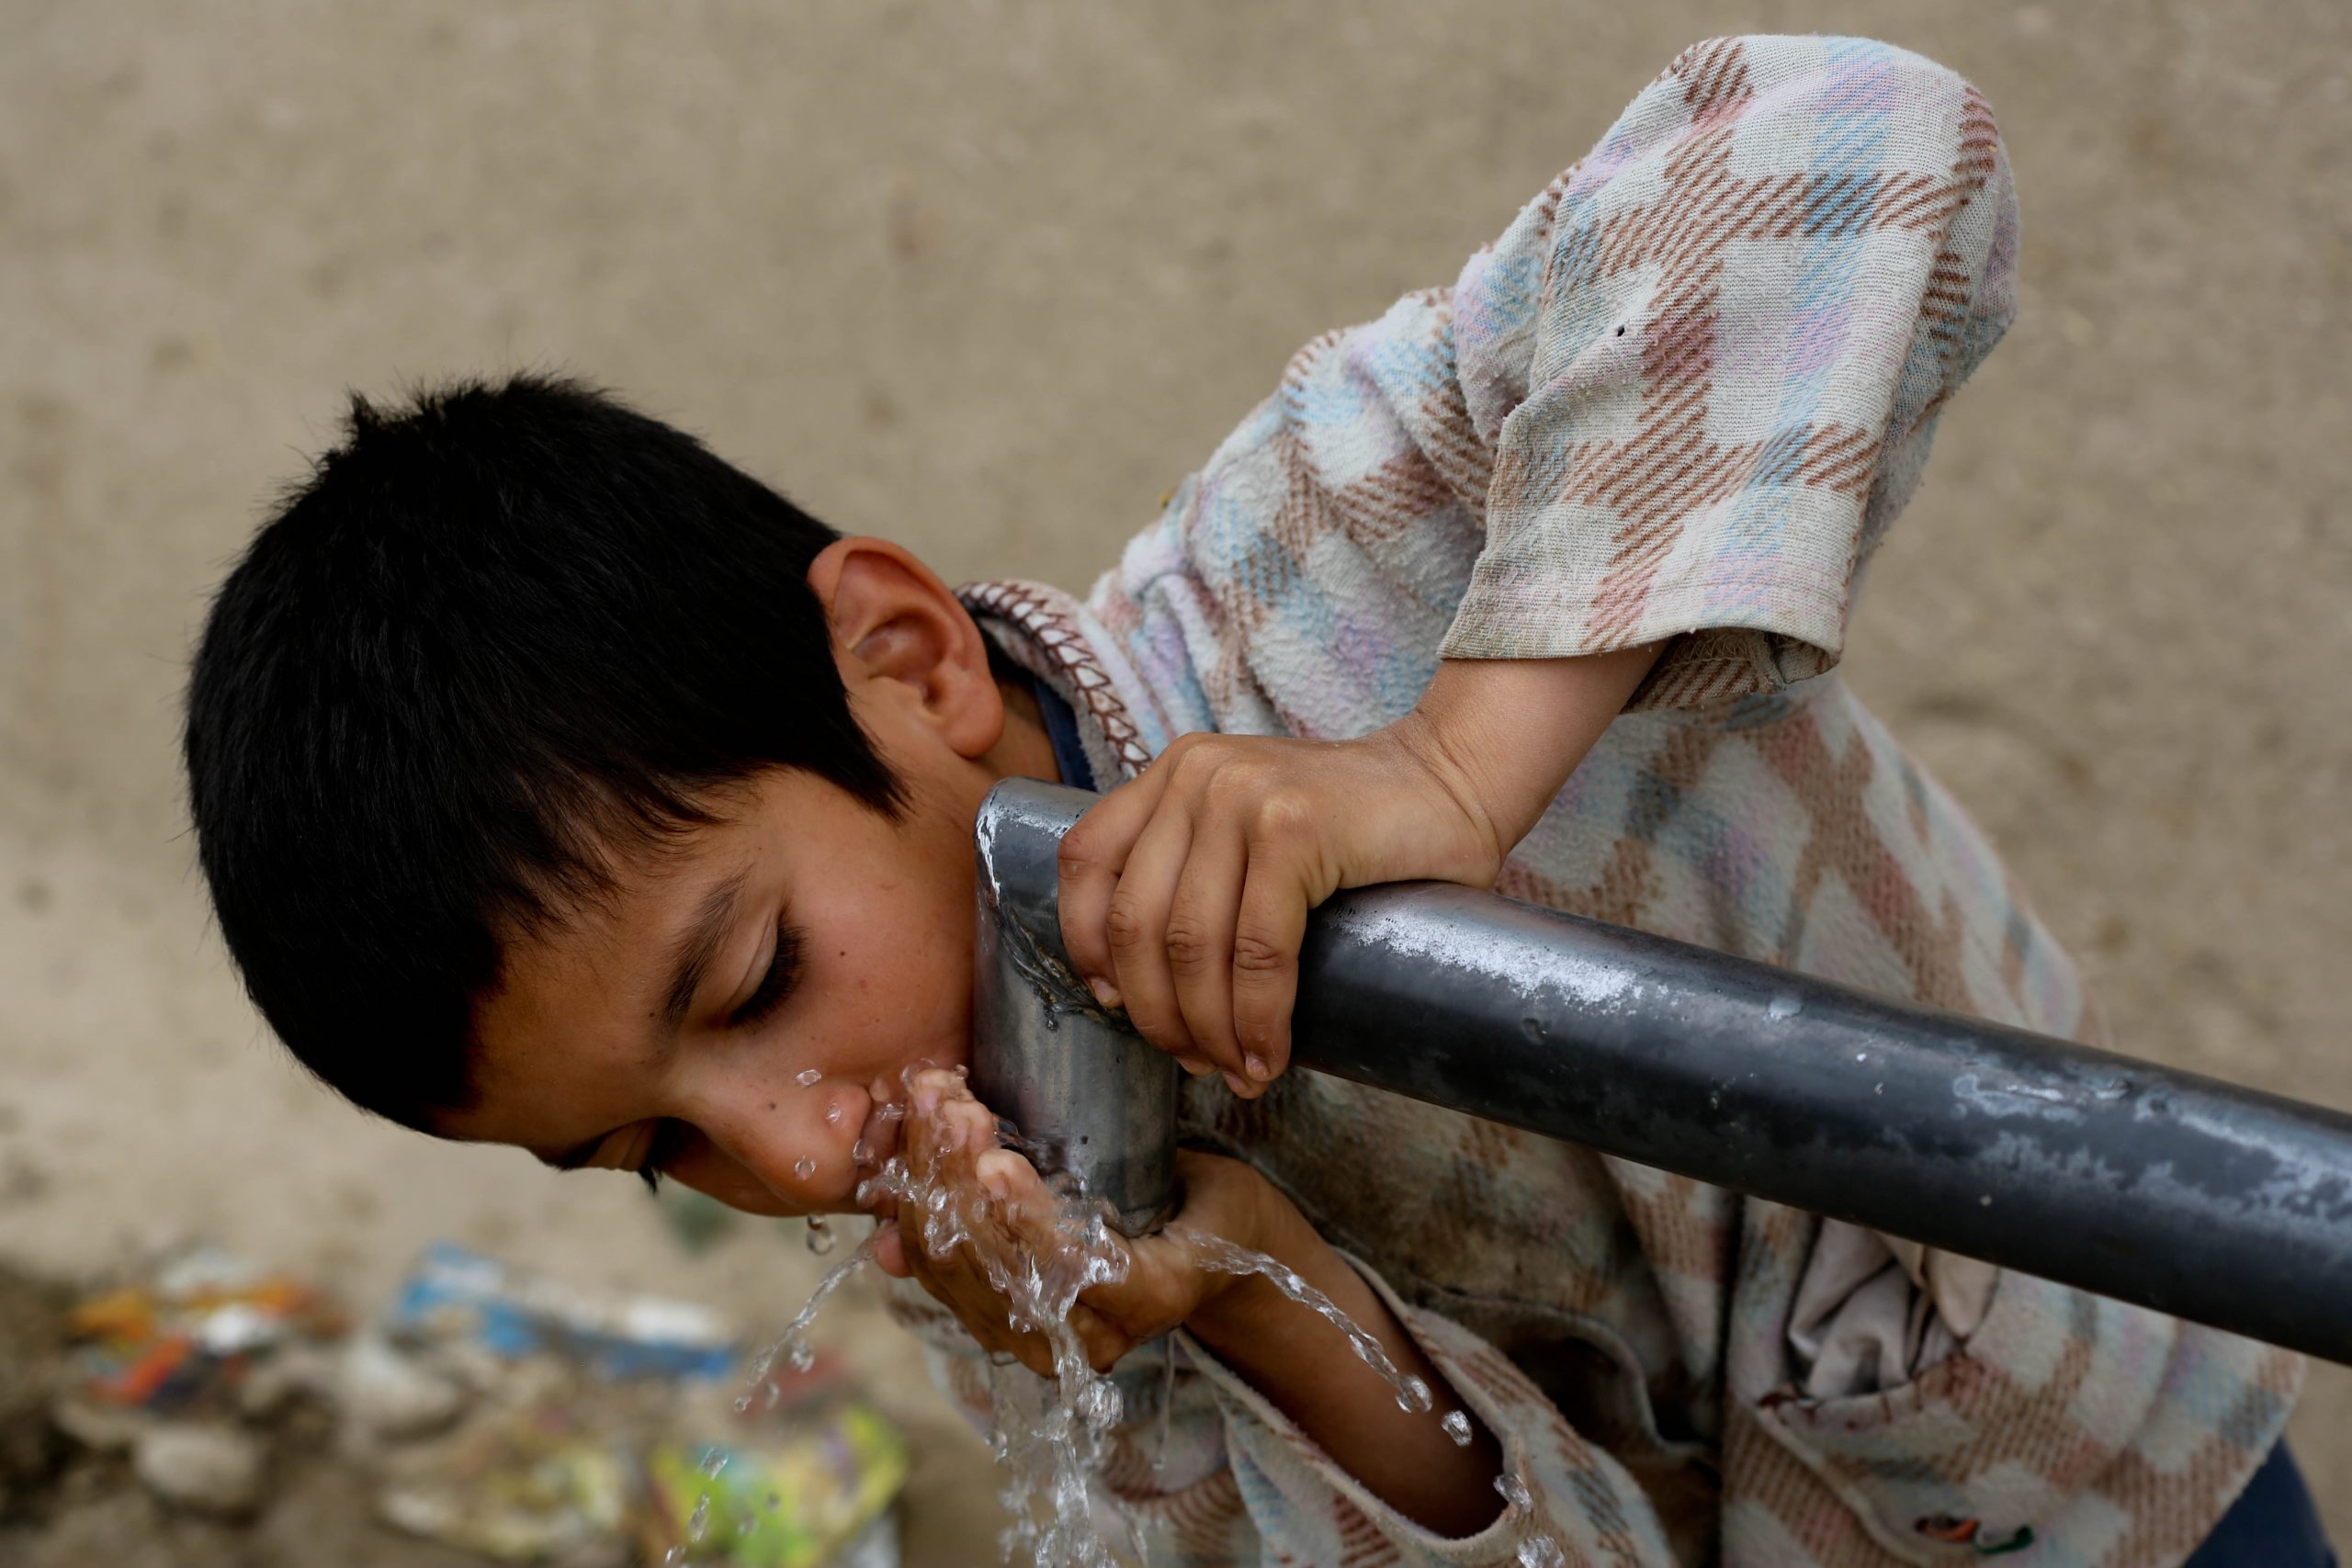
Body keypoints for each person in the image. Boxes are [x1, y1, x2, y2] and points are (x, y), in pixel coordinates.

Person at [180, 33, 2332, 1568]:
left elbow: (1850, 131)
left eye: (750, 980)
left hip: (2061, 1457)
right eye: (654, 1151)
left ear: (911, 660)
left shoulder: (1331, 559)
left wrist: (1440, 761)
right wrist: (1261, 1304)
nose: (798, 1149)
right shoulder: (1000, 1231)